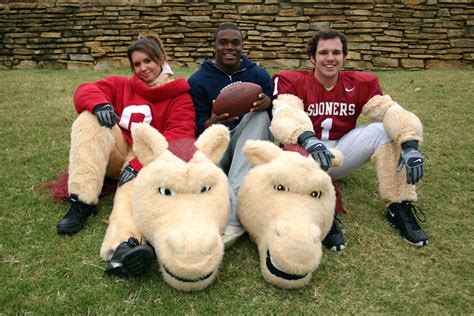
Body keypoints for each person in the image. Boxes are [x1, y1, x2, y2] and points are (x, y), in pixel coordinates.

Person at [271, 29, 428, 251]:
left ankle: (398, 205)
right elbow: (285, 113)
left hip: (338, 153)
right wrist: (308, 139)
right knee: (294, 149)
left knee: (384, 131)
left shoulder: (361, 82)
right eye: (323, 52)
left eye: (336, 52)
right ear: (312, 57)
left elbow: (389, 110)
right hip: (303, 155)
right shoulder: (291, 80)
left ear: (344, 56)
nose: (330, 58)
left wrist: (410, 144)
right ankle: (321, 212)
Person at [56, 33, 197, 277]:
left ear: (161, 59)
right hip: (118, 150)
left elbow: (180, 135)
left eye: (147, 62)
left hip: (149, 159)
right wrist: (100, 104)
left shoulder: (179, 95)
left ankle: (123, 249)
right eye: (137, 64)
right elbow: (87, 89)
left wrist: (140, 163)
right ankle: (82, 202)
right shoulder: (122, 85)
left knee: (132, 188)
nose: (142, 68)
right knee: (89, 119)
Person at [188, 23, 273, 248]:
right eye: (223, 42)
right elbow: (193, 125)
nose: (230, 47)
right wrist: (211, 122)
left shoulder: (259, 74)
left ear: (242, 46)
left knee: (261, 117)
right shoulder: (197, 81)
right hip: (219, 141)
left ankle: (233, 221)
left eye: (235, 42)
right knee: (205, 176)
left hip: (249, 137)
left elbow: (279, 114)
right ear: (214, 46)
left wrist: (269, 103)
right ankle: (233, 213)